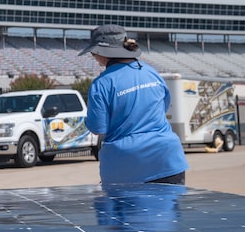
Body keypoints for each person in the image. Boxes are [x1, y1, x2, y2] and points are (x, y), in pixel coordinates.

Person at [79, 24, 189, 185]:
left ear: (101, 51)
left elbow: (97, 128)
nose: (93, 56)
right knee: (166, 209)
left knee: (127, 210)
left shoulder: (101, 84)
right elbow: (163, 107)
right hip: (168, 158)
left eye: (93, 52)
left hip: (127, 164)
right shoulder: (151, 72)